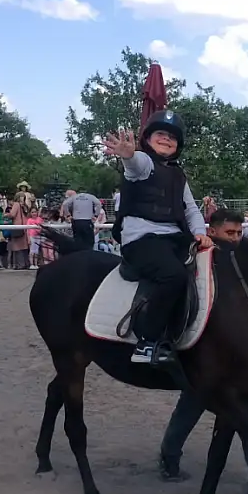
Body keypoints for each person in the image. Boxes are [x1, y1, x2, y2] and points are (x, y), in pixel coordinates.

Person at [158, 208, 248, 494]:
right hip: (204, 353)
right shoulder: (195, 261)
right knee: (192, 406)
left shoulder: (243, 264)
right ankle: (169, 456)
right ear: (211, 232)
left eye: (239, 233)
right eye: (230, 233)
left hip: (239, 356)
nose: (236, 239)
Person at [103, 110, 211, 365]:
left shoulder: (178, 175)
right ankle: (147, 341)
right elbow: (135, 163)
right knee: (172, 275)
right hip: (142, 241)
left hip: (175, 238)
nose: (166, 139)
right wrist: (128, 155)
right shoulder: (143, 164)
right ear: (148, 139)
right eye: (160, 134)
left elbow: (191, 209)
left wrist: (200, 233)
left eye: (172, 137)